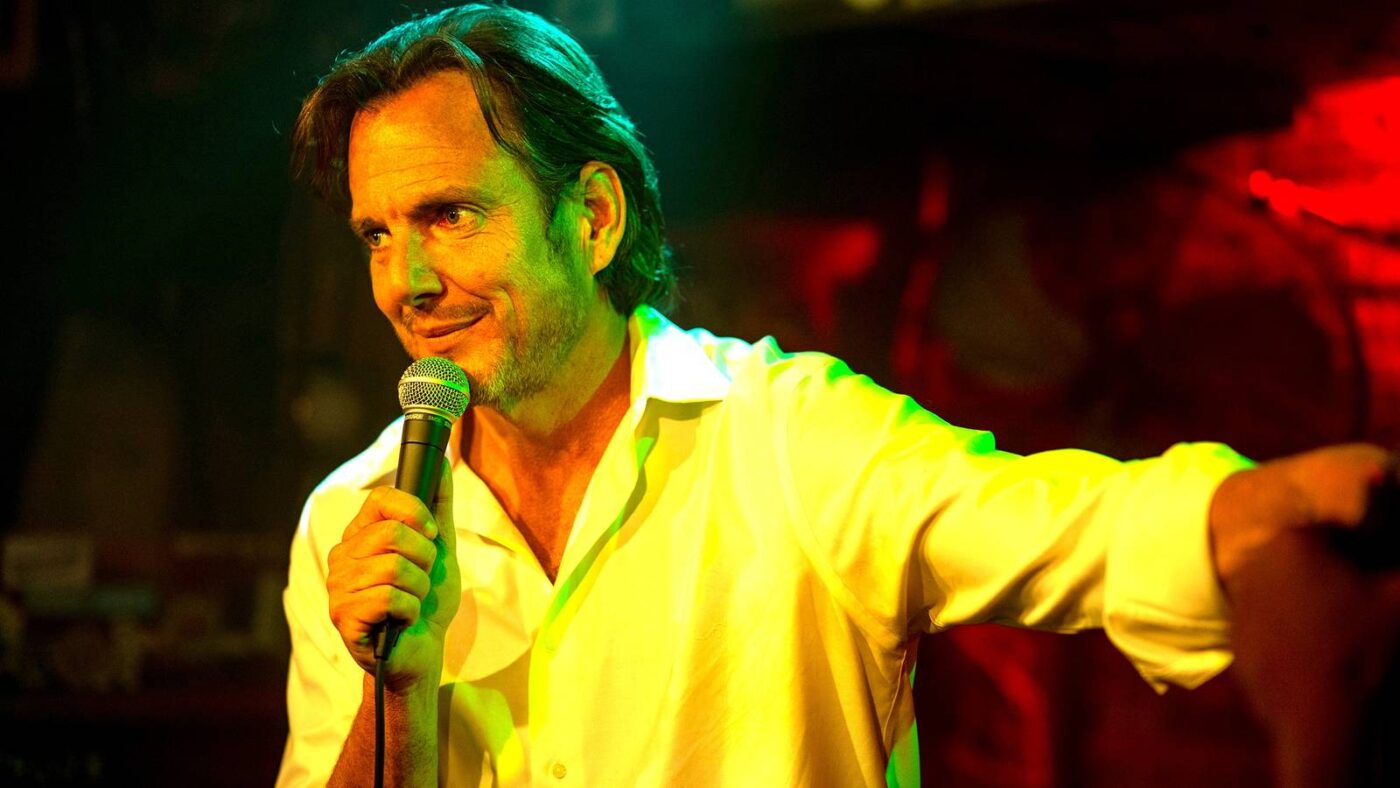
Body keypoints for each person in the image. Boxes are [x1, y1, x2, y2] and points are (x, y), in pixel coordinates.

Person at [276, 5, 1400, 787]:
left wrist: (1267, 507)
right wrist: (396, 691)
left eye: (449, 217)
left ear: (594, 217)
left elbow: (1063, 525)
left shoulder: (786, 434)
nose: (405, 281)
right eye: (377, 234)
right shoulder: (349, 521)